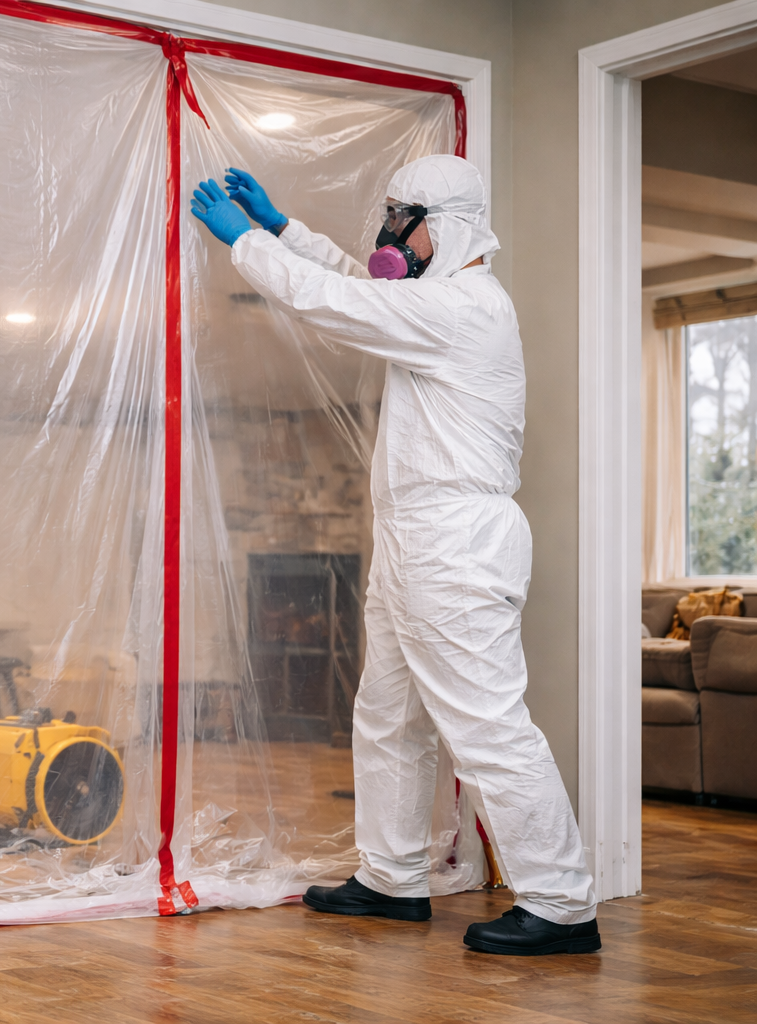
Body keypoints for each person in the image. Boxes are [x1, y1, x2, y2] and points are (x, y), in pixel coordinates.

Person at [190, 155, 600, 956]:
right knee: (388, 715)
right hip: (414, 537)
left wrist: (246, 244)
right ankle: (391, 878)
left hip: (453, 543)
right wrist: (282, 229)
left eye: (397, 218)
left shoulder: (467, 308)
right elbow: (366, 286)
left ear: (440, 226)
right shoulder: (436, 302)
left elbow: (342, 302)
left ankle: (561, 902)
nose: (385, 235)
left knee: (486, 725)